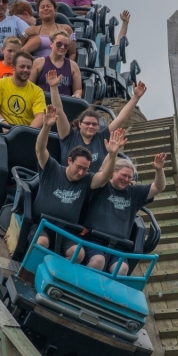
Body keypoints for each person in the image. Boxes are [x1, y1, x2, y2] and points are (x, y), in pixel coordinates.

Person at [31, 105, 124, 261]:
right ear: (69, 161)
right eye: (79, 167)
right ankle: (28, 273)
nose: (81, 172)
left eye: (85, 169)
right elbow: (40, 149)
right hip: (43, 226)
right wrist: (46, 126)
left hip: (67, 231)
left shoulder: (86, 179)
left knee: (78, 254)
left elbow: (105, 177)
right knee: (42, 242)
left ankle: (58, 278)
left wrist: (112, 155)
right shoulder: (52, 168)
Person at [83, 152, 167, 275]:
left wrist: (159, 170)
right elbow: (102, 172)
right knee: (98, 261)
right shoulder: (102, 186)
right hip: (94, 241)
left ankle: (106, 294)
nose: (126, 179)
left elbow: (158, 187)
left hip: (118, 246)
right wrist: (112, 152)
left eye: (129, 177)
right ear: (113, 172)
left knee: (122, 269)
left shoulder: (134, 193)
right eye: (123, 175)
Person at [51, 80, 147, 173]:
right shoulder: (69, 136)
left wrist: (136, 97)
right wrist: (54, 87)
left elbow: (121, 119)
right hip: (67, 184)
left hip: (94, 184)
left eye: (94, 124)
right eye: (87, 123)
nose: (91, 126)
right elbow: (59, 111)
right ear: (80, 124)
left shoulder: (102, 138)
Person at [0, 52, 45, 127]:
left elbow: (40, 116)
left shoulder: (37, 91)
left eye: (29, 67)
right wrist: (3, 124)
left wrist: (28, 132)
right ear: (13, 67)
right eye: (22, 66)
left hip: (24, 131)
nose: (26, 70)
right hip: (1, 128)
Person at [34, 33, 82, 97]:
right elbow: (29, 85)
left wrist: (77, 95)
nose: (62, 47)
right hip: (41, 101)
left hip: (64, 103)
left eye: (66, 46)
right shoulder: (39, 62)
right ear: (51, 44)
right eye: (59, 44)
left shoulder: (73, 65)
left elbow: (78, 89)